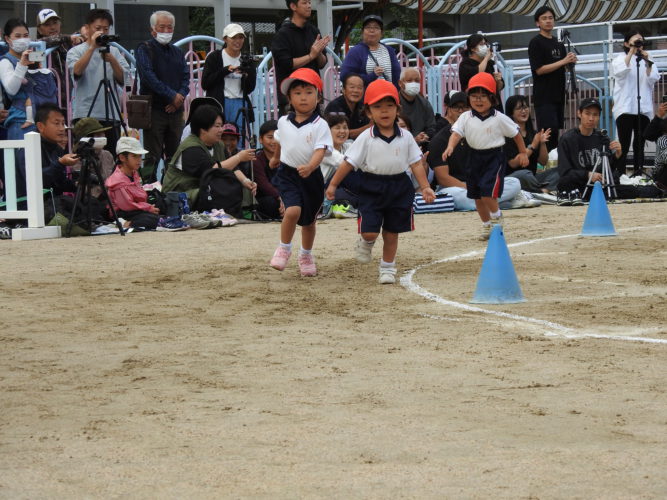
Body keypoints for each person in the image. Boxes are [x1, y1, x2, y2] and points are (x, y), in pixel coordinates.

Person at [325, 79, 435, 284]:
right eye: (377, 107)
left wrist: (425, 187)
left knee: (392, 232)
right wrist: (333, 185)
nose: (384, 111)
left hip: (399, 187)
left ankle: (387, 268)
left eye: (389, 106)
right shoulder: (365, 137)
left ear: (398, 109)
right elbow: (348, 163)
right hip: (371, 186)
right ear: (369, 112)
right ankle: (366, 242)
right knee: (370, 231)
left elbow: (416, 164)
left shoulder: (406, 137)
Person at [442, 73, 529, 240]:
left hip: (493, 158)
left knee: (487, 192)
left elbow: (516, 134)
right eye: (474, 96)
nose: (478, 100)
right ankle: (486, 225)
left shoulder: (499, 118)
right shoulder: (465, 117)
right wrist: (450, 146)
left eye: (483, 96)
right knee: (477, 196)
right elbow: (456, 134)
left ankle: (497, 217)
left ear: (492, 98)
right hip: (473, 157)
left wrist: (523, 152)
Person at [267, 68, 333, 276]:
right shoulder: (283, 121)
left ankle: (306, 255)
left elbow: (321, 150)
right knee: (293, 210)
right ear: (289, 98)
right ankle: (284, 248)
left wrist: (311, 166)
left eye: (308, 92)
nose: (303, 97)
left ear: (318, 97)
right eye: (297, 93)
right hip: (288, 174)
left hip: (311, 177)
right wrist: (276, 158)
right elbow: (280, 140)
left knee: (309, 221)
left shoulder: (321, 125)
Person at [430, 91, 523, 211]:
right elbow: (443, 178)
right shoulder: (439, 140)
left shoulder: (482, 132)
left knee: (515, 182)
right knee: (462, 197)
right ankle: (502, 202)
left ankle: (490, 201)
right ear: (449, 110)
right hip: (455, 188)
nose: (461, 111)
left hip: (481, 182)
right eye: (456, 107)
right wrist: (468, 187)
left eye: (465, 107)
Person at [163, 104, 255, 216]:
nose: (221, 130)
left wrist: (246, 181)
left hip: (203, 189)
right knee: (217, 191)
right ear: (203, 129)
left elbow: (232, 167)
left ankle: (237, 216)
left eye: (222, 126)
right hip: (181, 195)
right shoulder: (190, 148)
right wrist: (239, 157)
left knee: (238, 187)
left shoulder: (218, 145)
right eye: (217, 126)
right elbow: (211, 171)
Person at [135, 10, 190, 183]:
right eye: (162, 27)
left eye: (169, 27)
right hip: (154, 110)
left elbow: (186, 78)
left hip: (176, 111)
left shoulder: (177, 52)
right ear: (153, 29)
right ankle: (148, 187)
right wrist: (171, 96)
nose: (166, 31)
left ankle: (172, 187)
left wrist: (179, 97)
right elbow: (148, 77)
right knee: (152, 155)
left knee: (175, 156)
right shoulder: (144, 48)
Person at [66, 9, 130, 154]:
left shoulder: (114, 52)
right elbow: (76, 71)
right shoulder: (76, 51)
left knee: (111, 157)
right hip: (86, 115)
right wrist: (92, 48)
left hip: (111, 114)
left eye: (106, 29)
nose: (102, 32)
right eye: (98, 28)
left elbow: (123, 79)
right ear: (87, 28)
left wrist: (112, 60)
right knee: (86, 158)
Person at [528, 5, 577, 152]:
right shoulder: (535, 42)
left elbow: (562, 67)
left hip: (558, 95)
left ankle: (554, 163)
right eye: (544, 18)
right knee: (547, 134)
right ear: (537, 23)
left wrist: (570, 62)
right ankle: (544, 163)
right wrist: (563, 61)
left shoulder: (559, 44)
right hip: (544, 96)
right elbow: (539, 70)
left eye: (550, 18)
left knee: (555, 134)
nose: (548, 21)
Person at [612, 29, 660, 176]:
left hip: (643, 108)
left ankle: (638, 175)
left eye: (641, 41)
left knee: (640, 144)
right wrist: (631, 52)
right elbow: (620, 73)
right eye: (635, 41)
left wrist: (648, 62)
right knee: (624, 144)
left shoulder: (647, 58)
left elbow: (653, 78)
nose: (639, 44)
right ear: (627, 43)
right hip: (625, 107)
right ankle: (620, 176)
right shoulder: (620, 58)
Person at [557, 98, 623, 204]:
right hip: (578, 183)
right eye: (587, 114)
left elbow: (608, 168)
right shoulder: (567, 139)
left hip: (599, 184)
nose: (591, 118)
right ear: (579, 114)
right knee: (564, 182)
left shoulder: (602, 137)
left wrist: (617, 155)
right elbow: (564, 172)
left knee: (617, 180)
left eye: (595, 115)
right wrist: (588, 175)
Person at [1, 18, 58, 140]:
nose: (22, 39)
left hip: (42, 119)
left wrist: (39, 70)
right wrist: (21, 65)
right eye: (17, 36)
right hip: (20, 121)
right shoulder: (5, 61)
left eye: (26, 35)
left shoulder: (33, 57)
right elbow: (11, 90)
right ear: (7, 39)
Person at [270, 0, 331, 111]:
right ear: (293, 6)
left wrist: (318, 53)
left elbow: (322, 64)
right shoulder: (282, 34)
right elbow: (286, 63)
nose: (309, 6)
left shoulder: (313, 30)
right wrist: (311, 56)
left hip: (312, 95)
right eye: (304, 3)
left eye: (309, 2)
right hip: (291, 98)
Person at [201, 23, 257, 140]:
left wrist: (247, 75)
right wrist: (225, 70)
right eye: (233, 37)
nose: (238, 41)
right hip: (219, 103)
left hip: (240, 102)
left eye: (241, 37)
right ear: (225, 39)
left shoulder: (247, 60)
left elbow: (250, 88)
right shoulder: (215, 57)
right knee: (218, 137)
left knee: (238, 138)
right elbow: (205, 83)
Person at [16, 103, 77, 198]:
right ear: (40, 126)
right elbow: (35, 181)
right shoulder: (28, 148)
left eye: (63, 123)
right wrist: (60, 163)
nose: (62, 129)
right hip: (28, 204)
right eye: (56, 123)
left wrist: (79, 184)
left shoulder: (56, 148)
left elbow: (59, 183)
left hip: (52, 203)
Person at [504, 94, 558, 194]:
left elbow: (543, 162)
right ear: (511, 113)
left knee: (558, 171)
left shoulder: (533, 134)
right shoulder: (508, 134)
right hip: (514, 178)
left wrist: (542, 143)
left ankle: (538, 191)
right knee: (525, 174)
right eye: (519, 108)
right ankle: (542, 191)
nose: (524, 111)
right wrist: (533, 145)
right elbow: (513, 163)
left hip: (533, 178)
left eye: (525, 107)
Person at [105, 137, 161, 230]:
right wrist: (148, 208)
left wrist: (149, 207)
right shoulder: (117, 180)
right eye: (134, 156)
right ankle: (125, 223)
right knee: (151, 219)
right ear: (122, 158)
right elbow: (127, 206)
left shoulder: (134, 173)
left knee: (162, 208)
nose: (139, 160)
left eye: (140, 156)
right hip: (123, 213)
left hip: (136, 210)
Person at [35, 8, 85, 106]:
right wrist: (68, 38)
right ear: (39, 30)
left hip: (71, 98)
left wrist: (84, 32)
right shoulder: (36, 46)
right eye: (47, 24)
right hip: (48, 101)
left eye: (55, 23)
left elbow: (75, 36)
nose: (53, 27)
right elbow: (43, 42)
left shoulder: (66, 41)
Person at [338, 15, 401, 89]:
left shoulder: (389, 50)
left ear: (381, 32)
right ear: (362, 32)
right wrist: (371, 76)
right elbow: (345, 76)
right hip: (366, 95)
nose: (372, 30)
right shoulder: (355, 52)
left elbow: (396, 75)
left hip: (389, 94)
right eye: (368, 27)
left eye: (376, 27)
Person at [458, 33, 504, 112]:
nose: (485, 47)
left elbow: (499, 87)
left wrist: (498, 81)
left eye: (486, 44)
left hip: (493, 106)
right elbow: (478, 73)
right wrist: (486, 58)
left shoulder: (491, 63)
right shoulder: (465, 64)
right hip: (475, 106)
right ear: (473, 48)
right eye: (481, 44)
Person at [252, 120, 284, 219]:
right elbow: (264, 185)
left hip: (286, 196)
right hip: (268, 198)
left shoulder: (287, 158)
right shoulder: (256, 160)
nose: (274, 141)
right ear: (260, 139)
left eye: (277, 137)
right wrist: (281, 198)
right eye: (270, 137)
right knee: (270, 202)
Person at [323, 73, 370, 139]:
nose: (356, 91)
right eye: (352, 87)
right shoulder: (335, 106)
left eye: (359, 88)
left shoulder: (362, 106)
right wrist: (369, 127)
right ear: (343, 90)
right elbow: (340, 133)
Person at [398, 67, 436, 146]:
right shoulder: (395, 103)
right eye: (409, 80)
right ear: (400, 83)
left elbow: (431, 127)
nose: (413, 83)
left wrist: (425, 136)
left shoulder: (424, 103)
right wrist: (413, 140)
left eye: (417, 81)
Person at [72, 117, 115, 182]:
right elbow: (81, 183)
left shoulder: (108, 155)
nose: (103, 137)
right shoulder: (77, 159)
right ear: (87, 138)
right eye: (98, 135)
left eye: (103, 133)